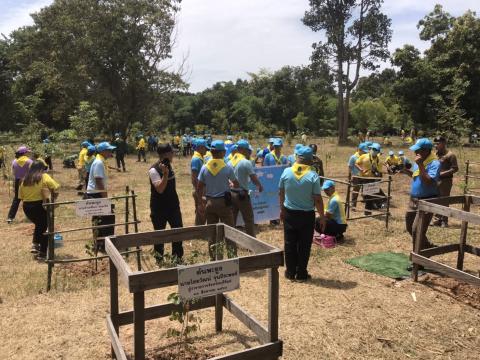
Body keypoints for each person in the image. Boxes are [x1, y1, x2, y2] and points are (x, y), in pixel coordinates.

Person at [279, 146, 325, 282]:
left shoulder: (286, 172)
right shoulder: (313, 176)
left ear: (297, 158)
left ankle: (290, 272)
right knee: (304, 245)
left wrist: (281, 210)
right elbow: (317, 198)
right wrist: (322, 216)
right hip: (306, 215)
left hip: (289, 213)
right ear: (310, 160)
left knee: (289, 243)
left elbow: (281, 192)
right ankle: (301, 273)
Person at [197, 140, 240, 259]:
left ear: (211, 152)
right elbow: (236, 184)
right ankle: (232, 258)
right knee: (230, 232)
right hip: (224, 203)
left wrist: (200, 203)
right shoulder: (227, 168)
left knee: (212, 233)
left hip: (210, 203)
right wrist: (230, 185)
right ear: (222, 153)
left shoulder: (204, 168)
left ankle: (214, 258)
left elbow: (199, 187)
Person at [402, 138, 440, 257]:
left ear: (426, 150)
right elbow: (416, 177)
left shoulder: (435, 163)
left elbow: (428, 181)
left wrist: (420, 164)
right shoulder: (419, 161)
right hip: (413, 200)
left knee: (417, 230)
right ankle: (426, 247)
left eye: (418, 150)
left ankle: (417, 261)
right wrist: (404, 170)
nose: (415, 153)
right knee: (409, 226)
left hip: (427, 200)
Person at [149, 143, 184, 262]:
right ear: (166, 154)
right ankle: (159, 260)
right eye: (172, 152)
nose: (173, 154)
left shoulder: (168, 166)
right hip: (159, 208)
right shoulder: (154, 170)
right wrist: (165, 174)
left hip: (173, 206)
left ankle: (177, 258)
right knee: (160, 234)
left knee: (178, 232)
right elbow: (160, 189)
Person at [19, 161, 60, 259]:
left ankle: (35, 244)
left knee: (39, 225)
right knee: (46, 227)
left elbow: (21, 196)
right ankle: (42, 252)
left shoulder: (24, 179)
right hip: (39, 206)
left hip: (27, 207)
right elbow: (56, 187)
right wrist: (53, 196)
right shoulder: (43, 176)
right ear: (41, 169)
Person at [228, 140, 263, 237]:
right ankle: (252, 242)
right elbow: (253, 177)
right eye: (248, 150)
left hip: (231, 193)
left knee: (232, 220)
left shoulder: (230, 162)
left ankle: (231, 240)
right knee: (248, 219)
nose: (249, 152)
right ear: (242, 150)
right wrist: (259, 185)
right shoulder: (246, 162)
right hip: (242, 195)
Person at [86, 142, 116, 250]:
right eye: (108, 150)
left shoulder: (100, 161)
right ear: (102, 151)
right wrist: (105, 198)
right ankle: (103, 244)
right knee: (104, 219)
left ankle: (101, 244)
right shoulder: (98, 162)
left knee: (101, 219)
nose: (110, 152)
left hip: (96, 193)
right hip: (96, 194)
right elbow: (98, 181)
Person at [432, 136, 458, 227]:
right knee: (435, 199)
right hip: (435, 181)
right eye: (435, 143)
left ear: (443, 143)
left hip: (445, 181)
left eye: (438, 143)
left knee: (444, 200)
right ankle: (436, 219)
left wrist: (441, 174)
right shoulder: (435, 154)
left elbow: (455, 169)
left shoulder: (450, 155)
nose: (435, 145)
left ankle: (444, 221)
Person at [355, 142, 385, 214]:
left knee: (370, 196)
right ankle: (381, 201)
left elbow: (380, 172)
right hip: (364, 178)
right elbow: (356, 163)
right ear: (370, 149)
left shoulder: (379, 160)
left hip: (373, 179)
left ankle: (368, 212)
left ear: (378, 151)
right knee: (368, 195)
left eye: (375, 150)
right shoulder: (364, 156)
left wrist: (376, 172)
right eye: (373, 149)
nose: (374, 151)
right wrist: (361, 169)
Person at [7, 146, 33, 223]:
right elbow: (32, 171)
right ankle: (30, 216)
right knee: (28, 199)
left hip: (17, 181)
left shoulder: (14, 161)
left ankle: (10, 217)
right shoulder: (29, 161)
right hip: (27, 181)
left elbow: (14, 172)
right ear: (24, 153)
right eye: (27, 152)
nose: (28, 153)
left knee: (16, 199)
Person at [191, 139, 209, 225]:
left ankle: (199, 230)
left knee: (201, 210)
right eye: (205, 148)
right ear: (200, 148)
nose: (206, 150)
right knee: (201, 209)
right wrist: (199, 192)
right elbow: (194, 178)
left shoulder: (200, 158)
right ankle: (199, 231)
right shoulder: (196, 159)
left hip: (201, 188)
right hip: (200, 189)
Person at [348, 142, 368, 208]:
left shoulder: (365, 157)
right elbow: (350, 167)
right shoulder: (353, 157)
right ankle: (353, 205)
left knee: (366, 190)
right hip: (356, 176)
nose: (365, 153)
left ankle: (367, 203)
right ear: (360, 150)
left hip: (364, 176)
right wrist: (350, 177)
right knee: (356, 191)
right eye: (364, 151)